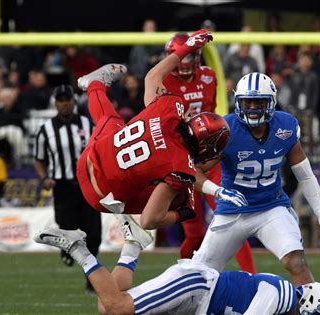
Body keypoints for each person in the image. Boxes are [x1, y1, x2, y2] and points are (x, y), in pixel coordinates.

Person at [74, 30, 240, 249]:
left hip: (89, 157)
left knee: (111, 119)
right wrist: (181, 214)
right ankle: (129, 229)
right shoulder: (179, 165)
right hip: (100, 196)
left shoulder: (169, 107)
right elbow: (149, 220)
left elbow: (152, 77)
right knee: (178, 197)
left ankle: (95, 85)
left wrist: (186, 47)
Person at [192, 72, 320, 287]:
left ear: (271, 102)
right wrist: (218, 192)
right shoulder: (226, 129)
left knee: (296, 262)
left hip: (271, 208)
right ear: (238, 102)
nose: (252, 107)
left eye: (258, 101)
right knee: (201, 275)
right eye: (247, 102)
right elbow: (193, 171)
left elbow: (305, 175)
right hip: (232, 212)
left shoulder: (285, 127)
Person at [34, 225, 320, 315]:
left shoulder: (283, 300)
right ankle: (78, 249)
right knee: (115, 307)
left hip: (194, 304)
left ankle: (133, 245)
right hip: (195, 287)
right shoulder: (281, 293)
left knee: (108, 304)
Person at [162, 32, 256, 273]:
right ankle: (180, 279)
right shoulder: (161, 81)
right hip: (181, 161)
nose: (183, 62)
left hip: (209, 158)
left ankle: (252, 278)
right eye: (179, 57)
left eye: (189, 56)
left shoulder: (208, 77)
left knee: (232, 218)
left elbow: (211, 115)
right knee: (194, 234)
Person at [34, 84, 102, 294]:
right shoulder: (46, 130)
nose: (64, 103)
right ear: (55, 103)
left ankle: (92, 281)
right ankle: (66, 252)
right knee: (68, 229)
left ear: (74, 101)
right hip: (62, 187)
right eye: (60, 100)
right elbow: (39, 159)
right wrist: (45, 177)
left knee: (94, 234)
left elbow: (98, 150)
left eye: (67, 99)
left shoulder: (87, 123)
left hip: (87, 185)